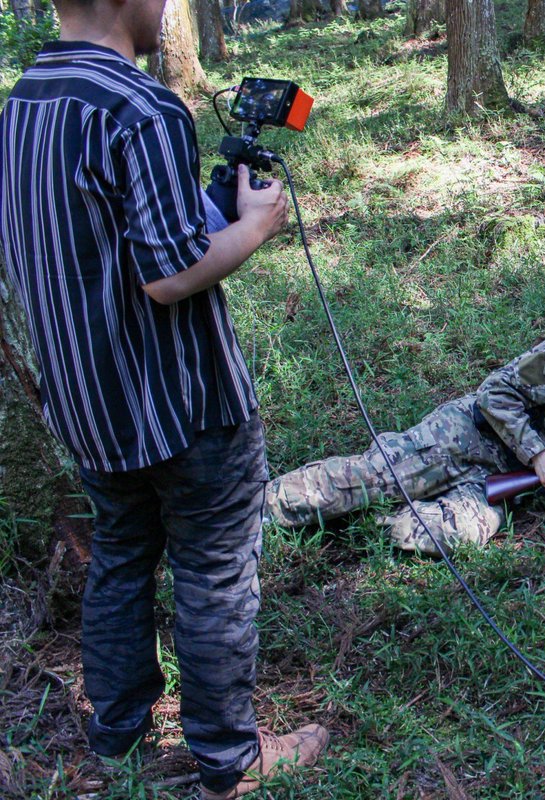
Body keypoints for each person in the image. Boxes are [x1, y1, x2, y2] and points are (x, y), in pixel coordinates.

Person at [0, 0, 329, 796]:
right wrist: (255, 226)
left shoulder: (21, 103)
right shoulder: (140, 106)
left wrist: (211, 214)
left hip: (86, 404)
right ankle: (229, 760)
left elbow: (104, 239)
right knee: (215, 571)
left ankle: (115, 732)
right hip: (182, 404)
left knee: (120, 557)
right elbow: (168, 274)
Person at [266, 277, 545, 552]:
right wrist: (539, 455)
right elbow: (494, 393)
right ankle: (252, 511)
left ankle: (372, 523)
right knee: (363, 482)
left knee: (449, 536)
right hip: (466, 438)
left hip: (505, 483)